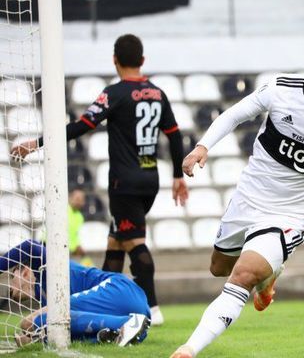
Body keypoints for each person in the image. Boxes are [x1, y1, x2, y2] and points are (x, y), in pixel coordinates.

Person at [170, 39, 304, 358]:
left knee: (243, 275)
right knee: (219, 267)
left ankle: (188, 349)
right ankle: (268, 278)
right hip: (248, 199)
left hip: (291, 216)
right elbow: (233, 115)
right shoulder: (280, 89)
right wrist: (202, 146)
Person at [11, 34, 188, 325]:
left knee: (134, 241)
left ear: (115, 61)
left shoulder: (115, 93)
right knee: (115, 242)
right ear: (142, 61)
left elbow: (83, 125)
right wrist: (178, 175)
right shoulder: (158, 93)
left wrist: (37, 143)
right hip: (150, 179)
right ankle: (104, 301)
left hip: (124, 182)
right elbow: (175, 134)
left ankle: (153, 308)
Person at [2, 239, 150, 347]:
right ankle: (120, 332)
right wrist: (36, 339)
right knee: (50, 325)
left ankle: (127, 324)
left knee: (34, 321)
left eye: (11, 276)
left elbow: (29, 247)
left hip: (120, 289)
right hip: (130, 309)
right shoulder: (46, 298)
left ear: (26, 272)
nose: (9, 286)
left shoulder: (48, 268)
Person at [40, 189, 94, 266]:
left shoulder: (80, 217)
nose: (79, 202)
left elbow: (74, 235)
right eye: (77, 199)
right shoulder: (63, 210)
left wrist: (77, 246)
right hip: (49, 244)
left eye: (81, 200)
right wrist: (75, 247)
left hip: (64, 248)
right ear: (70, 198)